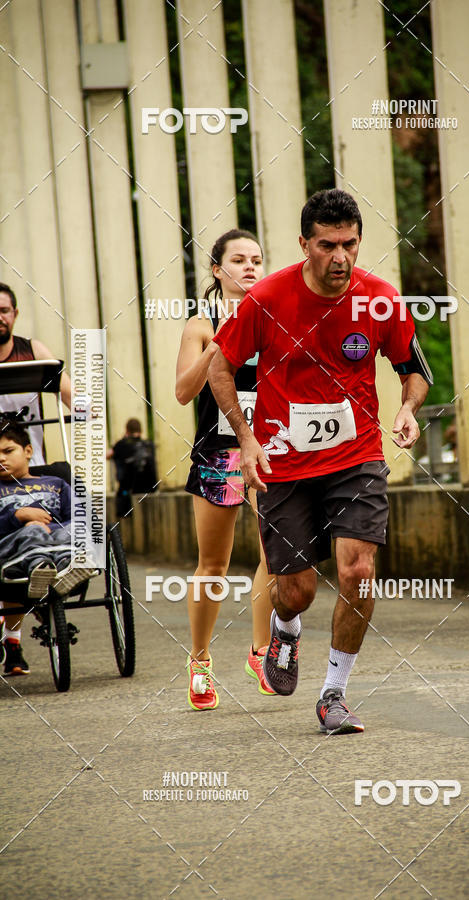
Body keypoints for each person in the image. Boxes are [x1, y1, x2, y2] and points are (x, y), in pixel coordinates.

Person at [209, 189, 432, 734]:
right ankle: (285, 632)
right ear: (304, 244)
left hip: (356, 458)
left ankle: (334, 694)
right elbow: (219, 369)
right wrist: (246, 438)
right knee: (297, 590)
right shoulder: (266, 298)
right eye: (328, 245)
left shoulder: (380, 298)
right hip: (283, 462)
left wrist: (406, 406)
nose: (341, 257)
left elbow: (413, 368)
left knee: (358, 570)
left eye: (350, 244)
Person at [175, 228, 275, 710]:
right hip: (217, 454)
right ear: (218, 270)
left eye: (257, 259)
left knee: (276, 553)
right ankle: (199, 660)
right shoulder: (201, 323)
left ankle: (261, 651)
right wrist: (219, 346)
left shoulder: (277, 318)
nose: (251, 266)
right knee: (213, 564)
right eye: (239, 259)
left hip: (268, 448)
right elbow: (182, 391)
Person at [0, 420, 95, 675]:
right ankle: (44, 568)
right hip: (12, 550)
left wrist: (52, 529)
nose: (1, 459)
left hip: (57, 537)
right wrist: (18, 515)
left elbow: (80, 514)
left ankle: (66, 567)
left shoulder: (56, 482)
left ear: (28, 451)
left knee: (76, 528)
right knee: (31, 531)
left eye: (8, 451)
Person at [0, 283, 72, 465]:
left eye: (4, 310)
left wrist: (90, 410)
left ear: (14, 314)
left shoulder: (34, 352)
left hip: (33, 468)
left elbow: (73, 396)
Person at [108, 418, 157, 517]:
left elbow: (107, 455)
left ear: (127, 430)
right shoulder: (149, 444)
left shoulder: (121, 444)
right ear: (140, 430)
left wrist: (123, 439)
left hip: (129, 491)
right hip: (150, 489)